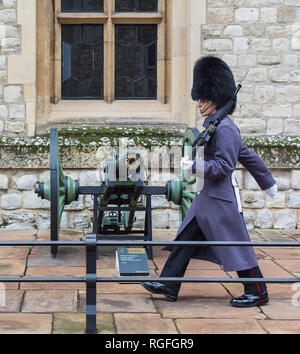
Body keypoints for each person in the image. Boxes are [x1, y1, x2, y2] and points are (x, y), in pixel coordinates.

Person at [141, 56, 278, 307]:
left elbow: (225, 166)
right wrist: (267, 181)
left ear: (215, 100)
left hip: (220, 200)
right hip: (208, 198)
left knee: (235, 245)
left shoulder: (225, 128)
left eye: (203, 99)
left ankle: (258, 291)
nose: (199, 104)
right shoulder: (217, 125)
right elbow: (247, 154)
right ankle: (169, 283)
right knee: (185, 240)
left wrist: (194, 166)